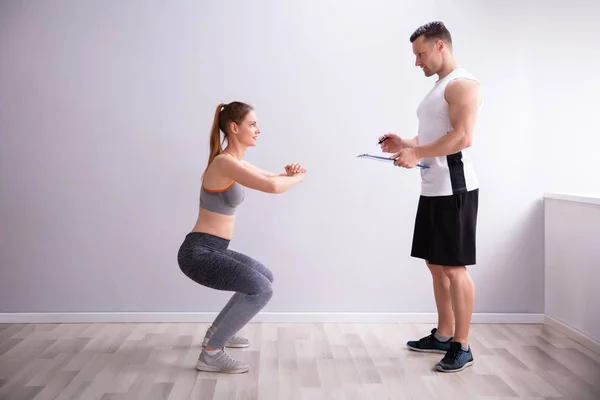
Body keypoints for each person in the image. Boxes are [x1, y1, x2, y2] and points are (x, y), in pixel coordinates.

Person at [379, 21, 481, 373]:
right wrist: (406, 143)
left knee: (454, 268)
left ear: (440, 46)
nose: (417, 62)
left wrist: (418, 154)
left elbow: (462, 138)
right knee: (435, 265)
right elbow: (436, 134)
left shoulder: (462, 84)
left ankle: (462, 345)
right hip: (433, 187)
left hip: (455, 189)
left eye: (421, 53)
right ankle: (443, 333)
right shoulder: (439, 88)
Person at [177, 101, 306, 373]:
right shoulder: (224, 162)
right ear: (234, 128)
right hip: (199, 253)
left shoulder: (235, 162)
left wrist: (291, 174)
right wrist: (298, 179)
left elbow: (273, 176)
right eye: (253, 124)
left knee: (264, 277)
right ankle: (211, 354)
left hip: (214, 249)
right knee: (262, 289)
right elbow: (273, 186)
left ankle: (216, 332)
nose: (259, 130)